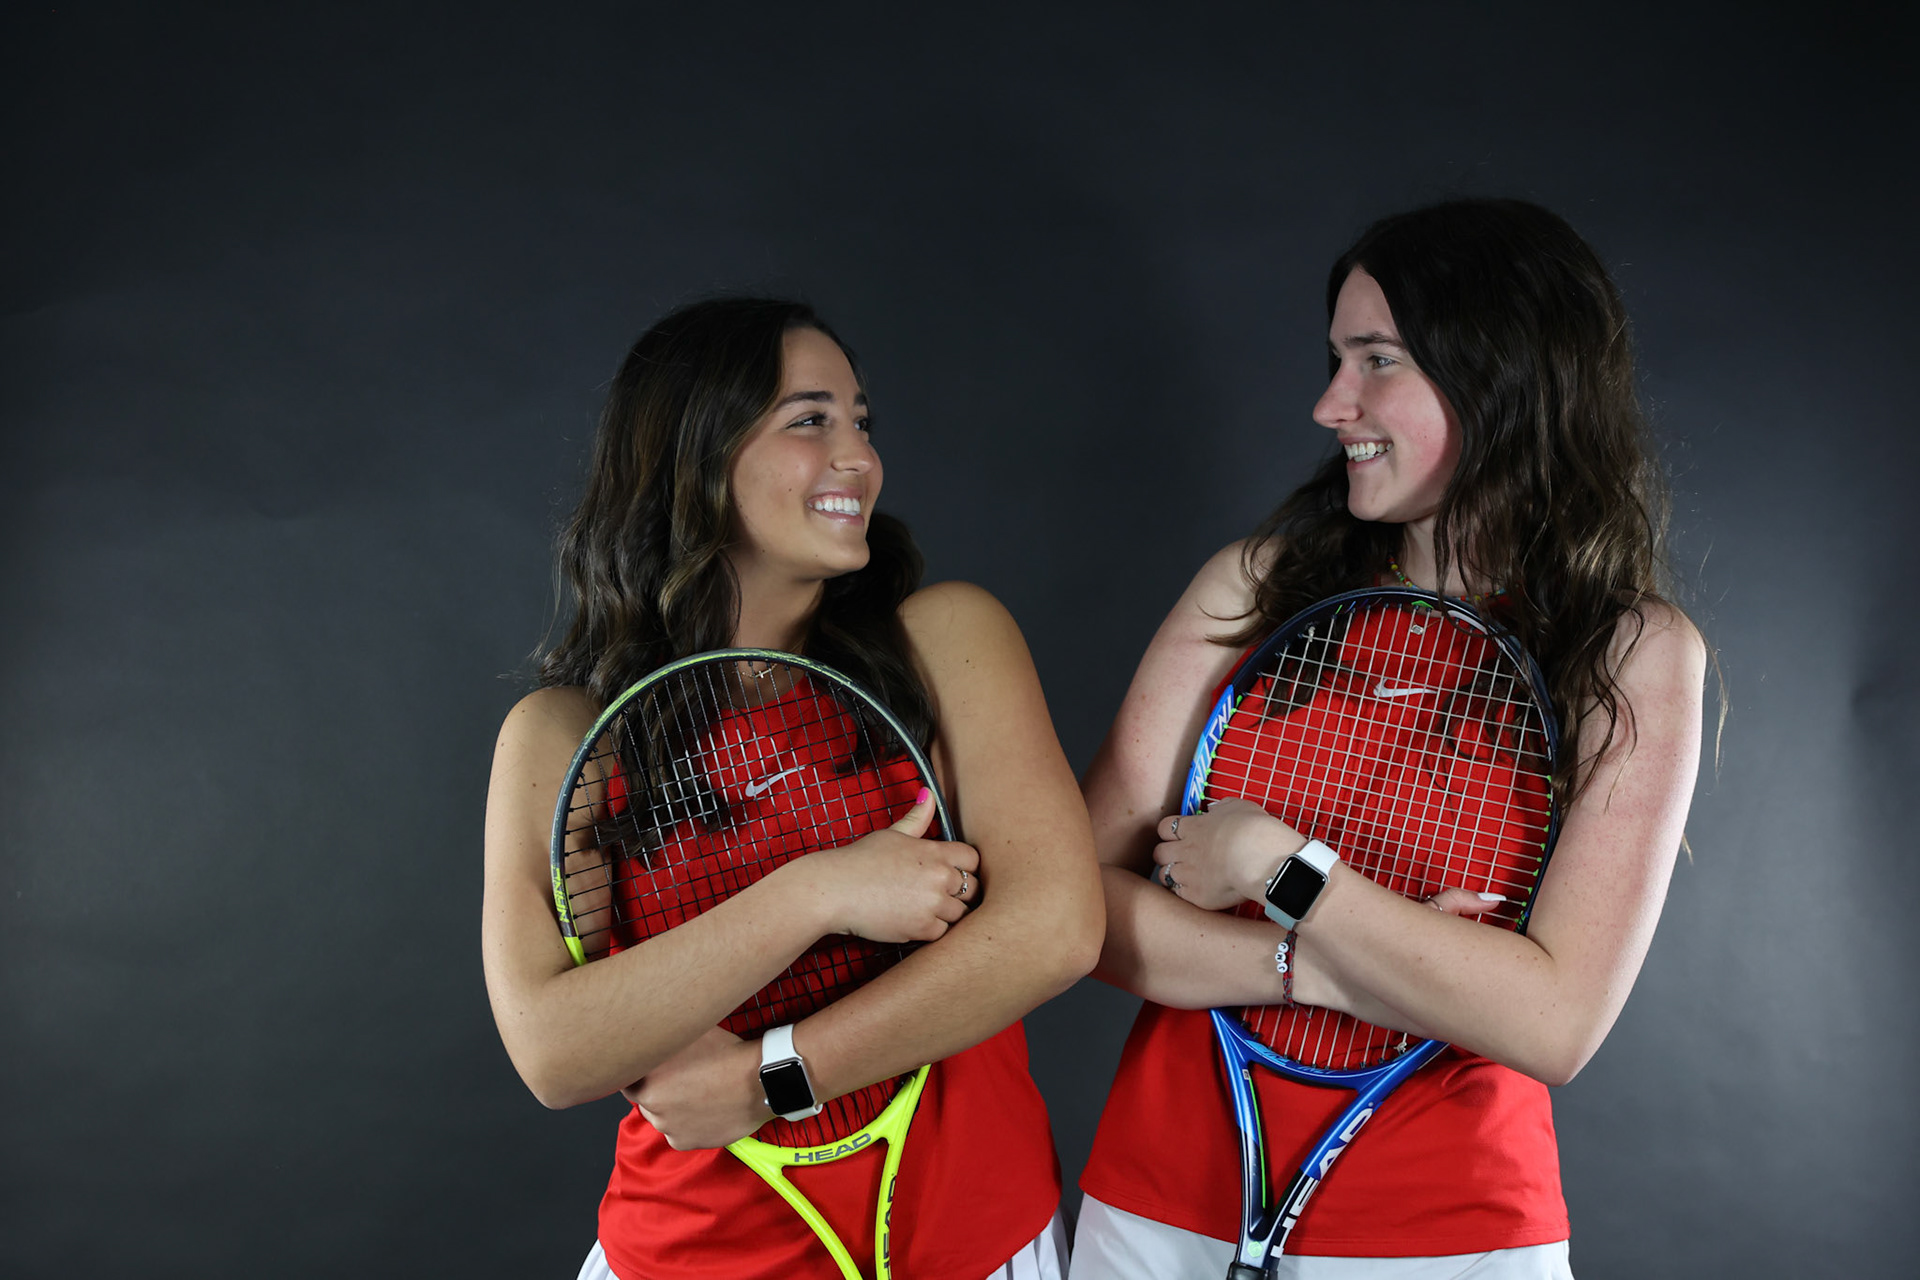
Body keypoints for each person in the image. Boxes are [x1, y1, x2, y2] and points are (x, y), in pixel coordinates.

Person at [1070, 200, 1708, 1278]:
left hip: (1453, 1236)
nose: (1330, 404)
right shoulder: (1254, 585)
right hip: (1158, 1206)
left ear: (1502, 375)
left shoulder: (1632, 650)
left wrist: (1280, 865)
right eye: (1335, 359)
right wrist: (1314, 964)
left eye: (1377, 361)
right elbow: (1073, 906)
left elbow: (1552, 1022)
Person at [481, 298, 1102, 1279]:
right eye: (810, 419)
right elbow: (555, 1050)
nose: (857, 455)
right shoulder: (565, 735)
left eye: (862, 420)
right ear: (695, 453)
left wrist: (775, 1077)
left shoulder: (945, 637)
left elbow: (1056, 926)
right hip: (693, 1253)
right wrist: (822, 888)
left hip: (969, 1240)